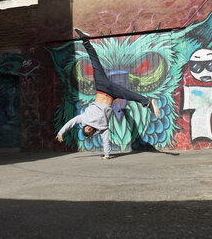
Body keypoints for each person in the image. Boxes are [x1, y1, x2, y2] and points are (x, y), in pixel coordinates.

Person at [55, 28, 161, 159]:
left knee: (95, 63)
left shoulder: (83, 119)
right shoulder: (102, 128)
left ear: (85, 127)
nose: (88, 130)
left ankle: (85, 40)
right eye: (89, 132)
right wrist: (106, 156)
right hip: (112, 94)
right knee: (129, 94)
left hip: (102, 87)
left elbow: (70, 123)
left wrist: (61, 133)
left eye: (86, 130)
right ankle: (148, 103)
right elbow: (106, 140)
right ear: (92, 133)